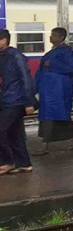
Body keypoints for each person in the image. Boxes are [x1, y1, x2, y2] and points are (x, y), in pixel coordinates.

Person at [35, 27, 73, 151]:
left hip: (59, 90)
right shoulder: (50, 53)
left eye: (54, 35)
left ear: (61, 37)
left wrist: (52, 65)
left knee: (55, 115)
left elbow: (70, 68)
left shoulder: (67, 52)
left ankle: (45, 145)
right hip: (48, 90)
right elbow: (40, 70)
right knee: (56, 116)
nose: (51, 37)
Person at [0, 29, 35, 175]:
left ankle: (8, 161)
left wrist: (29, 102)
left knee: (1, 130)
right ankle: (24, 163)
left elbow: (25, 78)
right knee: (15, 133)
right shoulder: (2, 56)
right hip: (7, 99)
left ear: (4, 40)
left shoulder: (16, 56)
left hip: (16, 99)